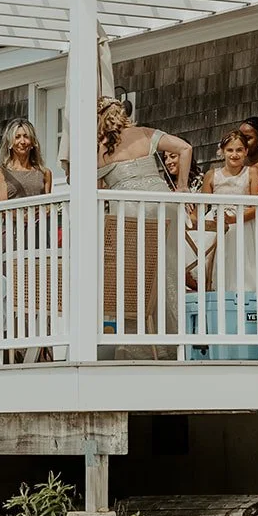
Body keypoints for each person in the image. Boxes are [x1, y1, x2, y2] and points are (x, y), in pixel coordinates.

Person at [98, 98, 193, 343]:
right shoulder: (143, 133)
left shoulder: (99, 147)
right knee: (167, 269)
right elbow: (185, 148)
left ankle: (140, 341)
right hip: (162, 205)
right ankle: (176, 337)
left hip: (130, 210)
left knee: (134, 276)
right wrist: (181, 187)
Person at [0, 119, 54, 361]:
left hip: (40, 236)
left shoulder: (44, 173)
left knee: (39, 291)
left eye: (26, 136)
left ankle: (41, 349)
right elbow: (2, 207)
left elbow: (48, 204)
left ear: (33, 142)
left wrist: (42, 213)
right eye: (17, 136)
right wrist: (25, 215)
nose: (22, 141)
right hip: (14, 236)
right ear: (10, 141)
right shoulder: (0, 172)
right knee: (14, 292)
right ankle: (14, 349)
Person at [202, 128, 258, 292]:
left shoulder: (252, 172)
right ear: (222, 151)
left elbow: (256, 206)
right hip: (216, 224)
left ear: (246, 151)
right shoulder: (212, 175)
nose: (234, 155)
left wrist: (235, 219)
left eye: (239, 150)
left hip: (242, 223)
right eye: (230, 150)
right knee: (216, 265)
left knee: (243, 269)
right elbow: (202, 205)